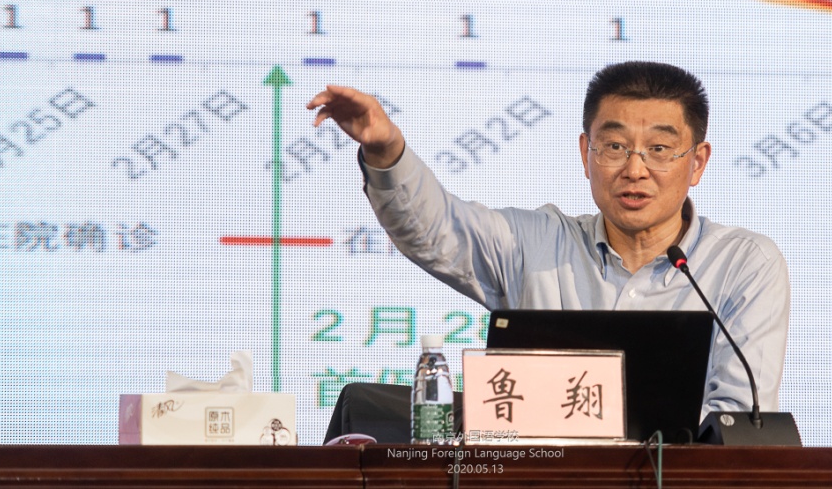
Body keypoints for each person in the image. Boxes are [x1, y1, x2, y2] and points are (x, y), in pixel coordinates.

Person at [308, 61, 789, 419]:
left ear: (697, 162)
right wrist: (386, 151)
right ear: (586, 153)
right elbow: (433, 229)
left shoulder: (743, 263)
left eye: (659, 149)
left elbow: (739, 415)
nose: (635, 169)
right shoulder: (534, 244)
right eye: (615, 146)